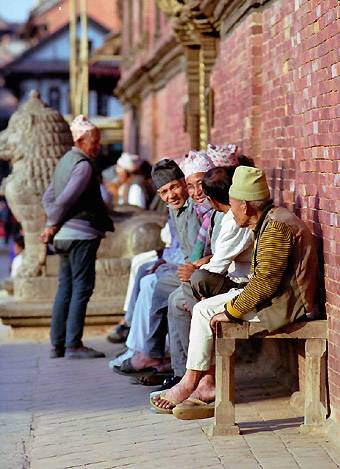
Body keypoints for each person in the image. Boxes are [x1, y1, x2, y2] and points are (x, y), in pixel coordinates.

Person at [151, 165, 320, 416]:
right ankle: (199, 380)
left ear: (246, 205)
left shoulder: (275, 227)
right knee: (202, 309)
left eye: (232, 204)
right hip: (274, 297)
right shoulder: (267, 221)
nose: (229, 211)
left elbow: (265, 284)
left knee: (207, 312)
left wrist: (230, 311)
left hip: (286, 305)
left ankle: (193, 382)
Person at [115, 154, 214, 375]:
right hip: (191, 268)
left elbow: (209, 251)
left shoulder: (198, 208)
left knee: (164, 291)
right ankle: (157, 355)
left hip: (204, 271)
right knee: (154, 282)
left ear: (182, 183)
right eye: (164, 192)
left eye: (174, 188)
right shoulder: (173, 208)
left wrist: (191, 270)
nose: (171, 195)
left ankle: (181, 370)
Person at [166, 164, 254, 385]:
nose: (196, 193)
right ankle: (189, 373)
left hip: (244, 286)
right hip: (234, 280)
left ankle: (205, 377)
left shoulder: (238, 218)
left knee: (196, 297)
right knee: (185, 290)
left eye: (200, 186)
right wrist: (196, 268)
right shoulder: (224, 216)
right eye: (191, 186)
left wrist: (196, 270)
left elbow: (218, 262)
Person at [41, 114, 114, 359]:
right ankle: (73, 344)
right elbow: (64, 200)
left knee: (66, 287)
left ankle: (57, 345)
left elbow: (48, 198)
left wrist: (52, 224)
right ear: (81, 140)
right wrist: (51, 224)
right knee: (81, 287)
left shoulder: (65, 161)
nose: (97, 146)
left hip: (64, 236)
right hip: (81, 234)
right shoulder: (83, 165)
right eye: (94, 141)